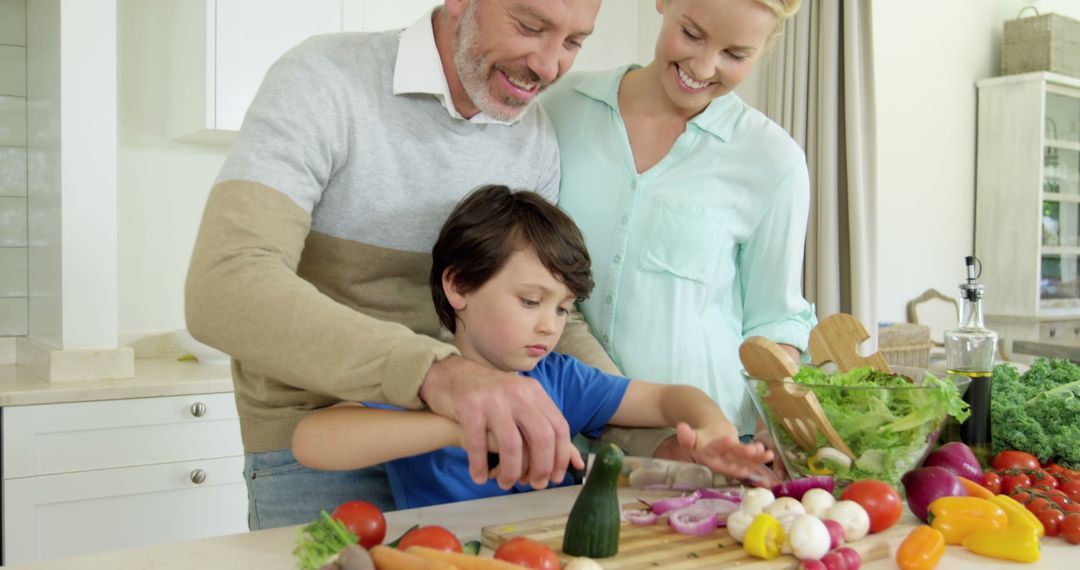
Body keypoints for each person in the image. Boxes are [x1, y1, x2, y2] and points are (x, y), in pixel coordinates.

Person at [183, 0, 685, 530]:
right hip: (321, 451)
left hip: (470, 448)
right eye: (530, 26)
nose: (548, 66)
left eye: (573, 42)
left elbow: (555, 312)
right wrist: (438, 374)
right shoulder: (324, 79)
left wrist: (660, 442)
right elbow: (225, 284)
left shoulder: (530, 136)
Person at [292, 185, 775, 509]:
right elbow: (311, 440)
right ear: (459, 287)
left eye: (563, 308)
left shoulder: (560, 378)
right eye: (530, 301)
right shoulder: (427, 378)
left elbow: (672, 398)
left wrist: (713, 430)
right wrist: (456, 429)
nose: (550, 326)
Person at [540, 0, 815, 444]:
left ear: (763, 51)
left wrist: (774, 426)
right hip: (565, 436)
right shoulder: (558, 109)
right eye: (691, 34)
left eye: (735, 55)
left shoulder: (774, 162)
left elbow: (773, 320)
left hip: (707, 446)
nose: (703, 67)